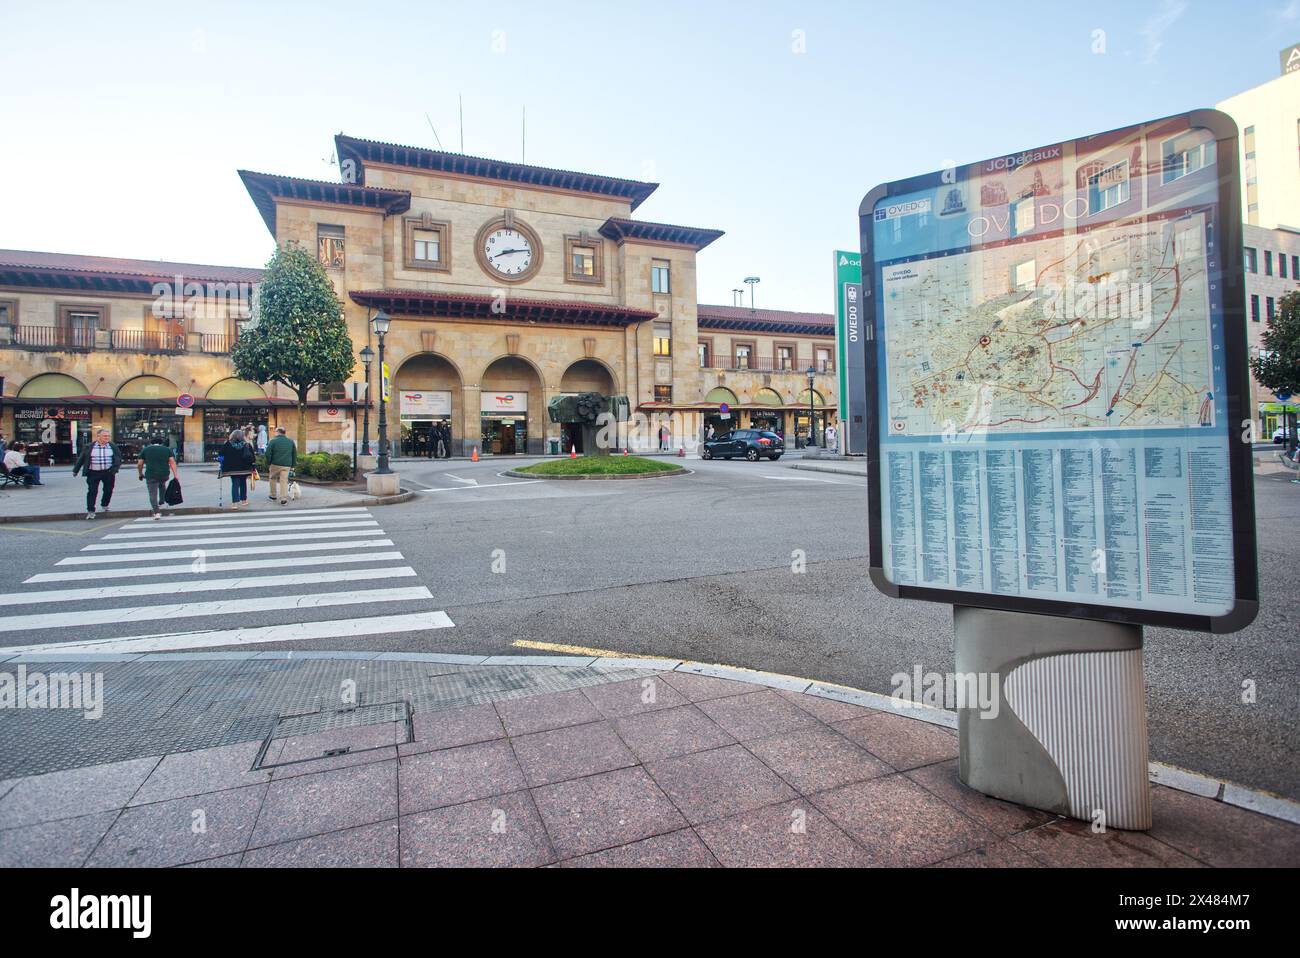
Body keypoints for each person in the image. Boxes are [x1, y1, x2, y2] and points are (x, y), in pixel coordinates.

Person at [73, 428, 121, 519]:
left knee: (108, 490)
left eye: (108, 436)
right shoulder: (89, 446)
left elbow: (118, 458)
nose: (107, 438)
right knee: (92, 491)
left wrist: (114, 469)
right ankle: (91, 510)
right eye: (105, 436)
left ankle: (105, 504)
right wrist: (76, 470)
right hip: (93, 472)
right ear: (98, 436)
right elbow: (81, 458)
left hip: (108, 472)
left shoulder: (112, 446)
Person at [137, 434, 179, 520]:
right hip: (164, 474)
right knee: (162, 485)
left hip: (151, 474)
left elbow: (140, 463)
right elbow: (172, 462)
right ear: (162, 442)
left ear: (151, 442)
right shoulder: (166, 450)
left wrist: (140, 473)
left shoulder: (146, 450)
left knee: (153, 493)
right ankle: (162, 501)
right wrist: (175, 475)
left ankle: (157, 512)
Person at [217, 428, 256, 510]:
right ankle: (244, 500)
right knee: (243, 483)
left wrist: (222, 464)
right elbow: (252, 457)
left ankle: (234, 503)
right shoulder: (247, 445)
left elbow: (220, 455)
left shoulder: (227, 444)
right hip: (244, 469)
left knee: (235, 484)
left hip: (232, 469)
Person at [263, 425, 296, 505]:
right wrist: (293, 465)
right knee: (284, 481)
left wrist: (269, 462)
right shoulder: (290, 441)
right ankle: (283, 498)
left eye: (275, 431)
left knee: (273, 478)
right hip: (286, 465)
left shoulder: (273, 441)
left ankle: (273, 495)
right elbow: (294, 454)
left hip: (275, 464)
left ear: (278, 432)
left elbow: (268, 453)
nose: (274, 433)